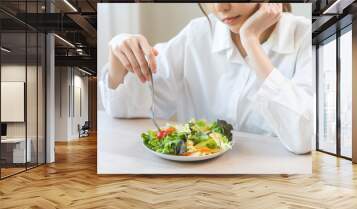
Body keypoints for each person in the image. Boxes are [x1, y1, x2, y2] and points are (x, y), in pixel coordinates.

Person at [99, 3, 314, 154]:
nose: (220, 7)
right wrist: (118, 50)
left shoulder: (304, 34)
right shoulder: (197, 33)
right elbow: (127, 109)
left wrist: (251, 41)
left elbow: (304, 139)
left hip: (274, 189)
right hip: (199, 185)